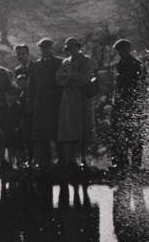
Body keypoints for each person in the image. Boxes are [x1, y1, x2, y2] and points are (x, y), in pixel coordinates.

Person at [56, 37, 97, 167]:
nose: (71, 50)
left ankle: (84, 158)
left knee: (84, 127)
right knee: (70, 127)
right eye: (69, 48)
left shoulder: (86, 60)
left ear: (78, 47)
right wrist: (70, 78)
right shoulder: (65, 63)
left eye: (73, 47)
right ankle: (72, 158)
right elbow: (59, 78)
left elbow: (86, 77)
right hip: (69, 97)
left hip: (82, 97)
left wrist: (69, 77)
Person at [110, 39, 149, 172]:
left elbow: (144, 86)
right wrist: (115, 103)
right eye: (120, 51)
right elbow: (117, 87)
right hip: (120, 105)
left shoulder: (138, 65)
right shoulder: (118, 66)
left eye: (125, 49)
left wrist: (139, 104)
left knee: (136, 136)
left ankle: (136, 165)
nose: (123, 52)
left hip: (135, 105)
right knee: (119, 135)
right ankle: (121, 163)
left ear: (129, 49)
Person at [28, 38, 64, 167]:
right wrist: (31, 104)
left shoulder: (60, 63)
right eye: (43, 48)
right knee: (42, 135)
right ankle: (44, 163)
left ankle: (62, 162)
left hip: (55, 104)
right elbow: (31, 86)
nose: (45, 50)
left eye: (47, 47)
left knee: (57, 134)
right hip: (40, 105)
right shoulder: (35, 65)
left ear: (52, 48)